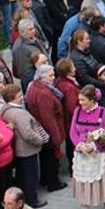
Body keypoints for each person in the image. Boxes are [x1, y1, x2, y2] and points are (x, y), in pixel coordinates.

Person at [69, 85, 105, 209]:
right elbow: (72, 132)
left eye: (83, 100)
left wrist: (94, 146)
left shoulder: (104, 113)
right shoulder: (77, 112)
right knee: (83, 185)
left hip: (99, 153)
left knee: (103, 182)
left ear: (92, 99)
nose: (80, 103)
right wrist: (79, 144)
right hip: (82, 154)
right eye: (80, 100)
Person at [0, 84, 48, 209]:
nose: (22, 97)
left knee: (22, 176)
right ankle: (32, 200)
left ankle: (22, 198)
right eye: (19, 95)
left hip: (16, 149)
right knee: (30, 177)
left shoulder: (4, 109)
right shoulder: (20, 113)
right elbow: (28, 134)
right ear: (12, 97)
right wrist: (40, 140)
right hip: (26, 149)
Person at [24, 65, 67, 195]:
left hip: (41, 128)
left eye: (53, 74)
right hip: (47, 130)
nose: (53, 78)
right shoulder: (44, 93)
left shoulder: (34, 86)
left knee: (45, 157)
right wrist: (57, 138)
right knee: (51, 158)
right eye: (50, 75)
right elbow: (48, 117)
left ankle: (45, 179)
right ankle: (53, 183)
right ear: (42, 77)